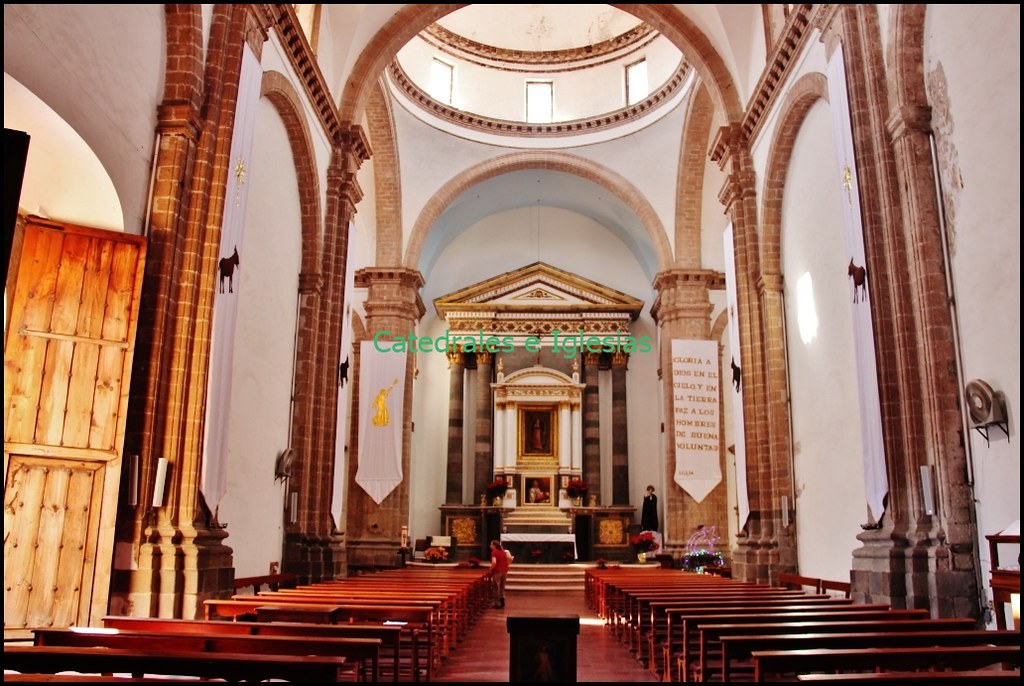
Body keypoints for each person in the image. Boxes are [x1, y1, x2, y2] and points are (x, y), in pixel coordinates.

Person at [490, 539, 512, 608]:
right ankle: (502, 601)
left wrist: (490, 569)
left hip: (497, 571)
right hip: (504, 570)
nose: (490, 546)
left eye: (491, 544)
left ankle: (497, 603)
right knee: (502, 587)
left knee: (496, 587)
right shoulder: (503, 551)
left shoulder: (494, 552)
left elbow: (494, 562)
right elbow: (509, 560)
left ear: (494, 545)